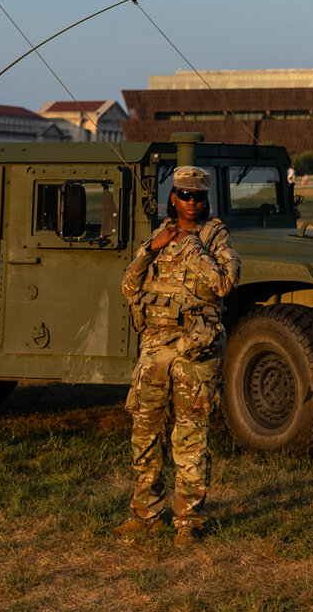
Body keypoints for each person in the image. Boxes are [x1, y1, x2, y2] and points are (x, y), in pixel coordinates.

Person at [116, 165, 240, 548]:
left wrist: (189, 247)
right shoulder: (158, 236)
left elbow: (224, 282)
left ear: (206, 200)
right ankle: (145, 513)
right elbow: (128, 285)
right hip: (154, 348)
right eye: (183, 194)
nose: (190, 201)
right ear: (173, 197)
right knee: (145, 433)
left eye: (197, 196)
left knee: (190, 437)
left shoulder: (215, 236)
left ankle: (188, 521)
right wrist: (150, 250)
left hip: (194, 349)